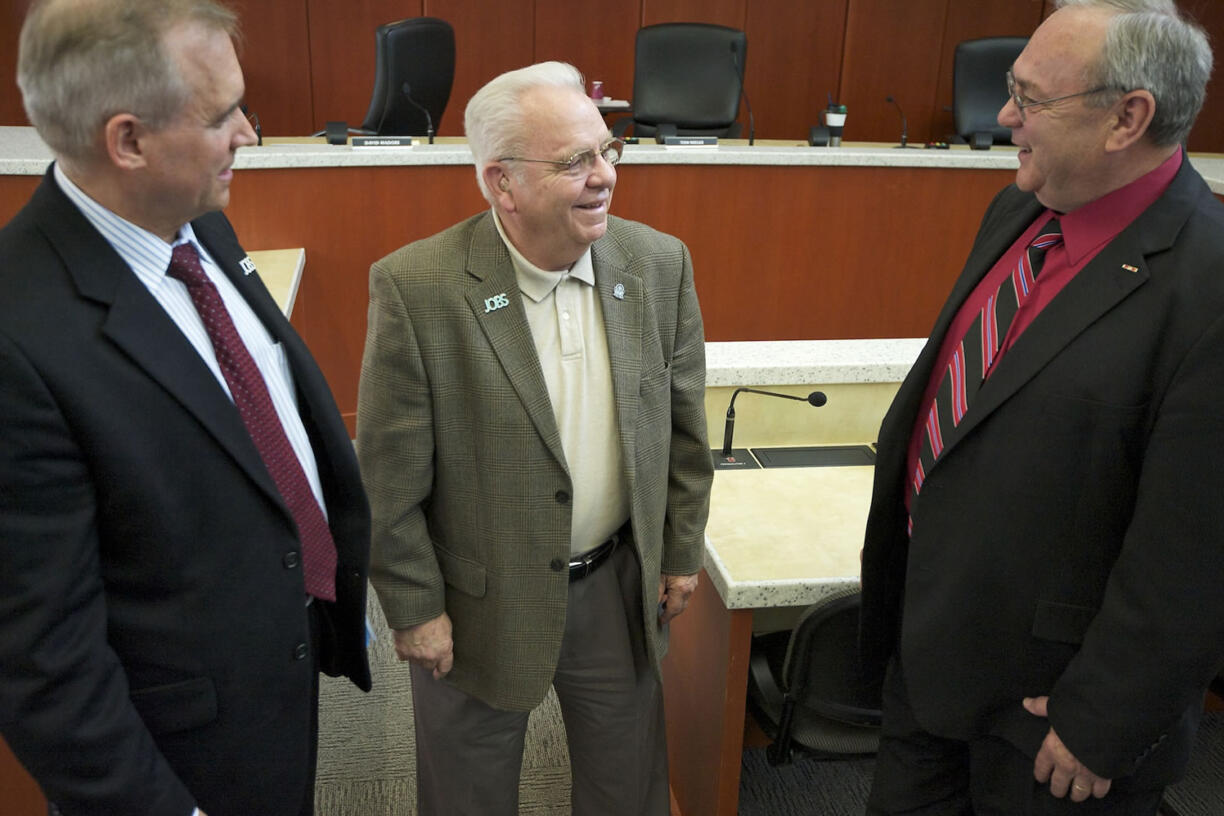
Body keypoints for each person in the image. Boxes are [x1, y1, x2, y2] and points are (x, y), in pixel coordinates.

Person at [0, 1, 371, 814]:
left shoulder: (196, 218)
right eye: (221, 115)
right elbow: (43, 662)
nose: (250, 133)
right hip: (176, 757)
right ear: (127, 141)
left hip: (275, 673)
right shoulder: (18, 337)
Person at [859, 0, 1224, 812]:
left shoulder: (1210, 287)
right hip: (929, 670)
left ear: (1127, 118)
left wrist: (1103, 720)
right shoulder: (1021, 209)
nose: (1004, 116)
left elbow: (1197, 554)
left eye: (1032, 99)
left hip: (1054, 724)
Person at [356, 61, 712, 816]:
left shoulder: (658, 265)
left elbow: (682, 431)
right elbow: (388, 480)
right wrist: (415, 608)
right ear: (501, 184)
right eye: (574, 161)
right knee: (468, 795)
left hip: (616, 586)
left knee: (628, 791)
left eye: (608, 150)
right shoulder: (417, 289)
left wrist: (679, 551)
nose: (604, 176)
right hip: (477, 599)